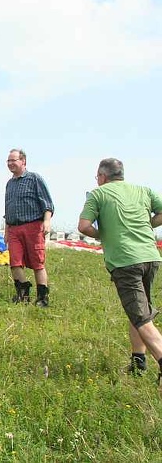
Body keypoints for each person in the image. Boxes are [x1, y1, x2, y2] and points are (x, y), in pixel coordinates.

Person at [78, 158, 162, 378]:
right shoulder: (143, 191)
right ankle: (138, 361)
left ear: (102, 177)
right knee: (139, 311)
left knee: (141, 316)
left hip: (125, 261)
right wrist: (146, 225)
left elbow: (84, 226)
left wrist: (103, 234)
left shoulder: (98, 194)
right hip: (151, 258)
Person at [4, 149, 55, 306]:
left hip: (33, 226)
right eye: (8, 161)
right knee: (15, 262)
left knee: (37, 262)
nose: (11, 164)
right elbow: (7, 208)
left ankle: (42, 297)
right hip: (13, 228)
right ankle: (22, 293)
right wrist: (6, 230)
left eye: (14, 160)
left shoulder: (34, 178)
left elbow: (47, 203)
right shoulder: (10, 183)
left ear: (23, 161)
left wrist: (46, 221)